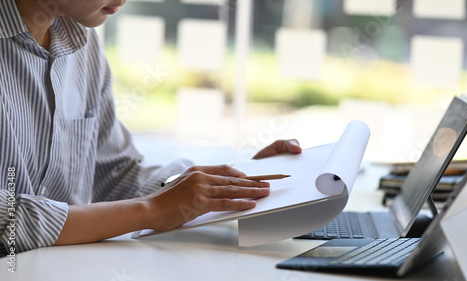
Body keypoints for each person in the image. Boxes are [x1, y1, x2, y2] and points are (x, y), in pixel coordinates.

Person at [0, 0, 302, 255]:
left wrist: (233, 181)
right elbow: (7, 221)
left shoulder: (80, 42)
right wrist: (151, 210)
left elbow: (118, 176)